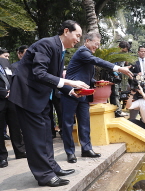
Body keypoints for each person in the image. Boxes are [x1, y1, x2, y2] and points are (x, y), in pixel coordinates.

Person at [8, 20, 89, 187]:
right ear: (66, 31)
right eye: (77, 35)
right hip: (27, 96)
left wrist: (68, 90)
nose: (78, 40)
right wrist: (70, 83)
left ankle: (52, 167)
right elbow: (39, 72)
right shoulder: (46, 44)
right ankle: (44, 176)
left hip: (42, 97)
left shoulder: (60, 49)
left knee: (45, 135)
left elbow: (54, 78)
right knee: (36, 138)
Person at [61, 32, 133, 164]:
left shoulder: (87, 54)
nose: (97, 47)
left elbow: (84, 75)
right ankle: (70, 152)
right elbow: (97, 61)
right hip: (70, 92)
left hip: (83, 94)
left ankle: (86, 149)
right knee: (67, 124)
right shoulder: (82, 51)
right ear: (87, 41)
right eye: (95, 44)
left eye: (98, 45)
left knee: (84, 122)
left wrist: (96, 82)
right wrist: (118, 68)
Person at [0, 58, 27, 168]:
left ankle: (20, 151)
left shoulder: (4, 62)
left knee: (15, 126)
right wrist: (4, 93)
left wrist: (14, 90)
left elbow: (13, 77)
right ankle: (2, 157)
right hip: (1, 98)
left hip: (11, 100)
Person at [129, 46, 145, 120]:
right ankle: (135, 118)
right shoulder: (134, 62)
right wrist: (137, 74)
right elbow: (130, 73)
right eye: (141, 51)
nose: (143, 52)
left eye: (144, 51)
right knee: (138, 103)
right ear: (138, 52)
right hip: (138, 85)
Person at [110, 41, 130, 117]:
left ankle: (117, 110)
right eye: (123, 51)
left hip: (119, 77)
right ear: (119, 47)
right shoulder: (112, 54)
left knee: (117, 94)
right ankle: (118, 111)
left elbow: (123, 65)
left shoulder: (123, 56)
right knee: (115, 94)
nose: (124, 53)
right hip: (111, 76)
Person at [0, 48, 11, 140]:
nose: (7, 58)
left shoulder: (7, 67)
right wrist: (4, 92)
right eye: (5, 56)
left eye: (8, 57)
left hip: (9, 100)